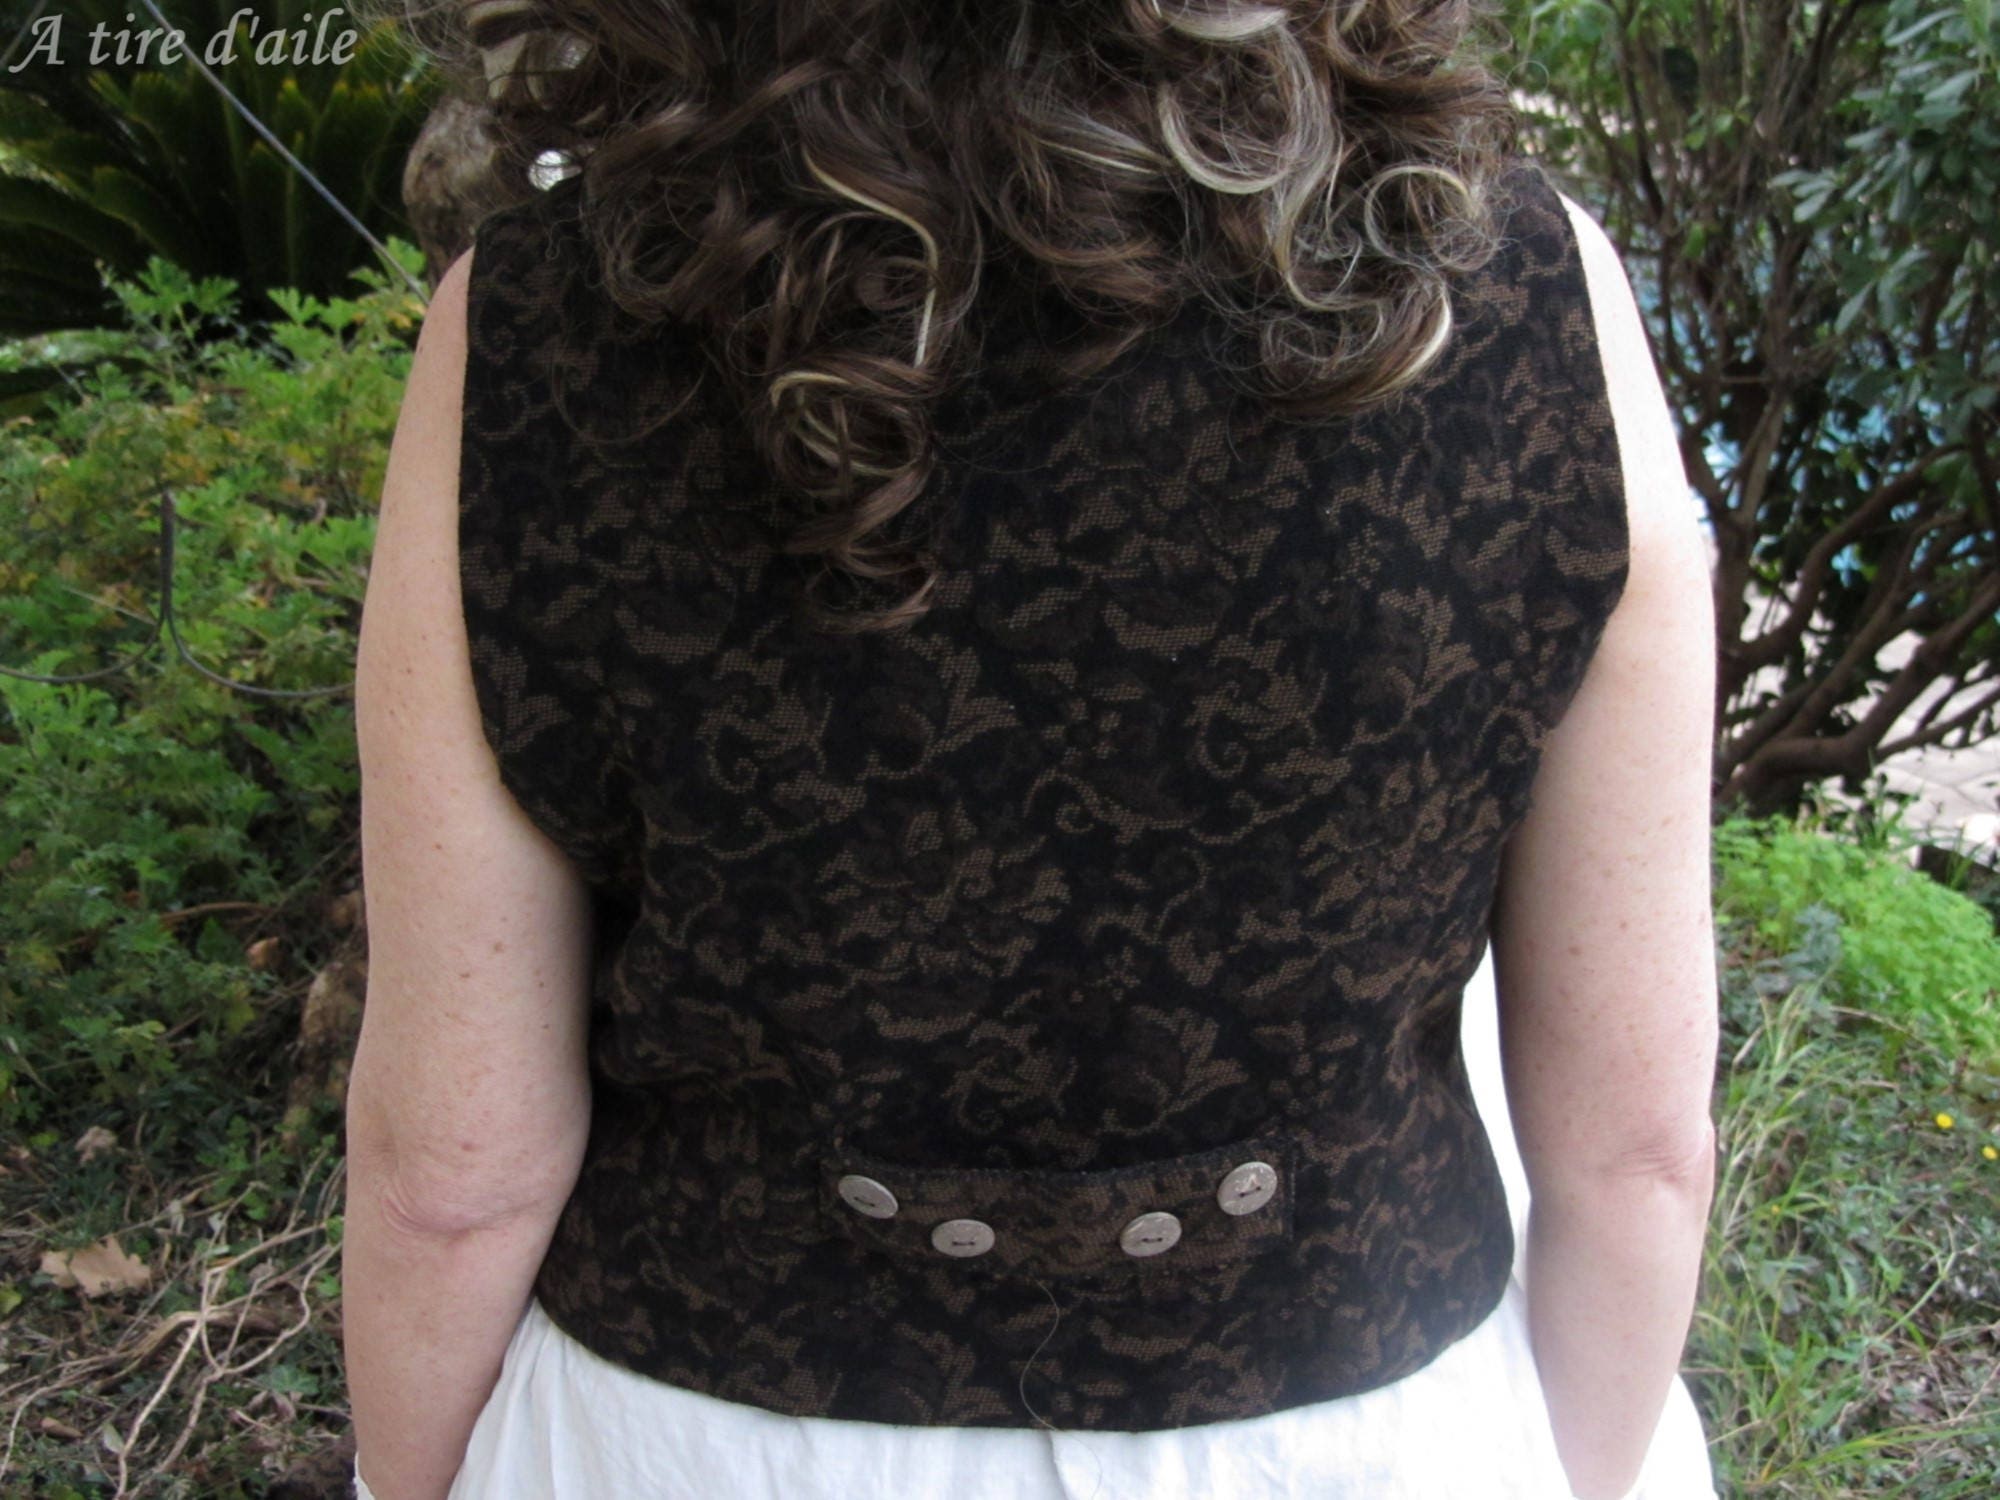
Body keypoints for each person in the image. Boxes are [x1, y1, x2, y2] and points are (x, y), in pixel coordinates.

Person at [339, 2, 1723, 1497]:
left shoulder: (542, 320)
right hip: (1370, 1443)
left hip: (684, 1448)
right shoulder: (1522, 288)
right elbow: (1635, 1152)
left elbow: (452, 1181)